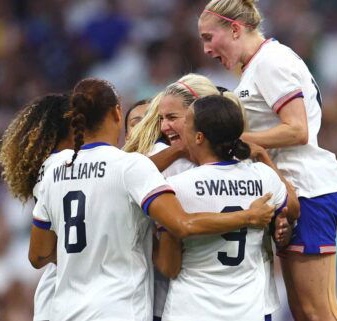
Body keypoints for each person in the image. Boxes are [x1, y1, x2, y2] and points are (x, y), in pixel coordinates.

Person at [28, 78, 276, 321]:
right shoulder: (129, 166)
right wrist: (248, 216)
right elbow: (182, 224)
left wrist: (88, 252)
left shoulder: (55, 169)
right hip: (118, 307)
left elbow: (38, 256)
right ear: (117, 113)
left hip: (65, 309)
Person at [198, 1, 337, 320]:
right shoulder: (257, 65)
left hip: (308, 187)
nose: (206, 49)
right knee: (303, 310)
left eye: (210, 37)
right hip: (291, 190)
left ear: (235, 29)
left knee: (318, 309)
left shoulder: (270, 62)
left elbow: (297, 129)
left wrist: (238, 140)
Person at [125, 73, 298, 320]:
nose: (165, 126)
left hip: (191, 307)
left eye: (175, 119)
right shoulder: (260, 175)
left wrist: (160, 235)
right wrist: (263, 161)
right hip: (248, 308)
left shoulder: (173, 185)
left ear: (198, 133)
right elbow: (292, 208)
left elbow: (170, 265)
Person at [0, 93, 73, 321]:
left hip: (62, 291)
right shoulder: (58, 170)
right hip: (67, 292)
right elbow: (39, 254)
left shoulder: (51, 170)